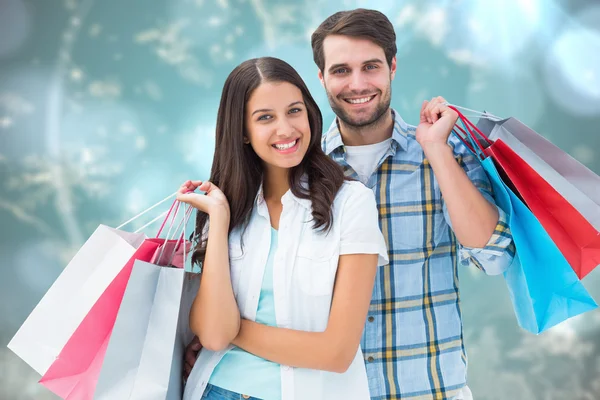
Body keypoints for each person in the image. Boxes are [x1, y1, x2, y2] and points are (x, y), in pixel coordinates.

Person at [185, 8, 516, 400]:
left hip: (424, 387)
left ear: (392, 67)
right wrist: (219, 342)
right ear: (321, 78)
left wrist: (436, 152)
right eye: (341, 70)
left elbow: (493, 258)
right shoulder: (294, 169)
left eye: (371, 67)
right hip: (329, 389)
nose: (357, 83)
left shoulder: (445, 152)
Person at [177, 56, 389, 400]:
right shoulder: (225, 206)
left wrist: (232, 328)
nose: (286, 129)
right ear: (243, 132)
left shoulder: (351, 203)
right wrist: (218, 221)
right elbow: (213, 338)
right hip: (216, 390)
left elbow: (335, 353)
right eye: (265, 118)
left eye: (294, 111)